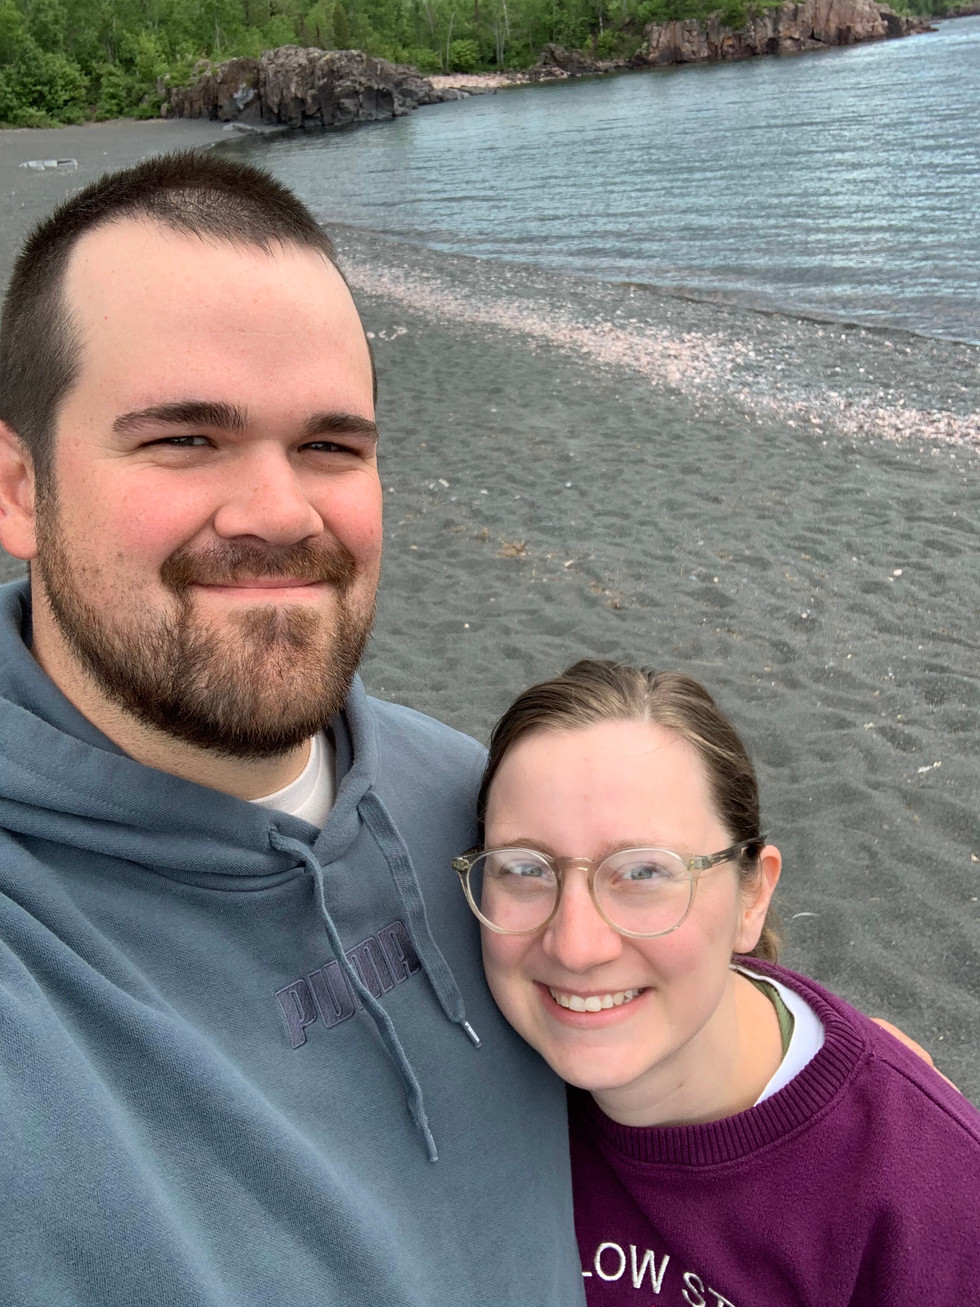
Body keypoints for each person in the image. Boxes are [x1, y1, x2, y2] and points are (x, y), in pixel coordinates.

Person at [0, 152, 584, 1306]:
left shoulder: (477, 805)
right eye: (183, 438)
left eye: (329, 446)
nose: (278, 511)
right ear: (19, 488)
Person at [453, 659, 980, 1306]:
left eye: (644, 872)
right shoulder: (469, 1070)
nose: (576, 946)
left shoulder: (927, 1201)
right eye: (526, 868)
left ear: (752, 896)